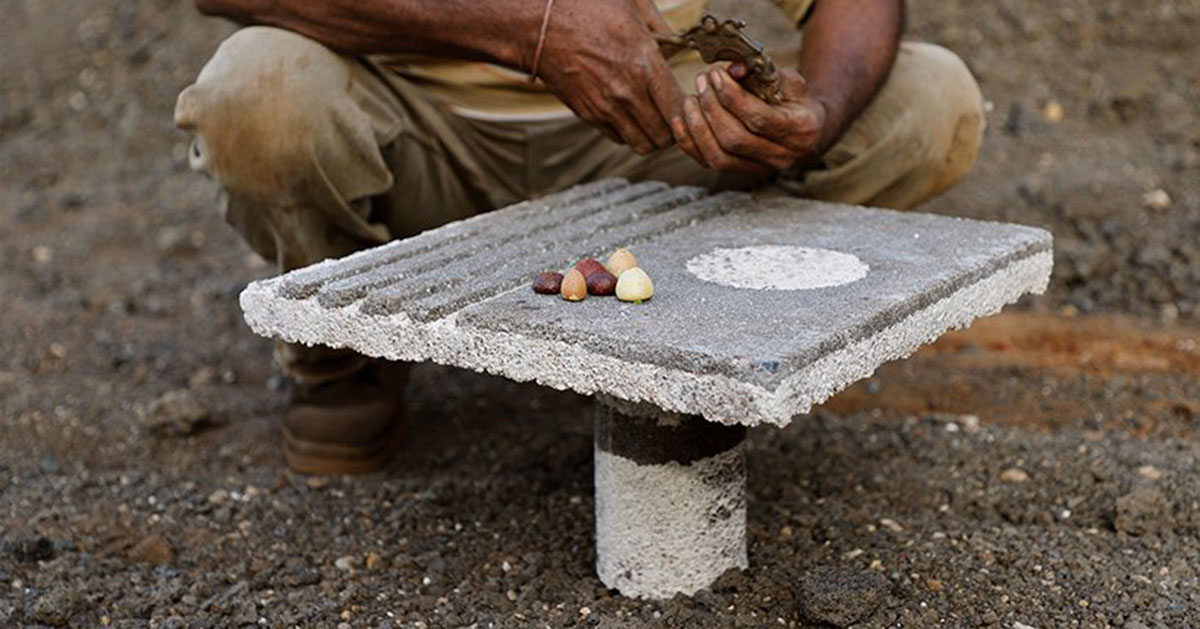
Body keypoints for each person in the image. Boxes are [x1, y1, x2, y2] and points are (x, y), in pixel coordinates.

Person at [175, 0, 984, 474]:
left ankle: (690, 352)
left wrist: (817, 115)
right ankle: (344, 361)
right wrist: (532, 27)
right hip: (419, 143)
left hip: (661, 149)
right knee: (258, 92)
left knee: (930, 101)